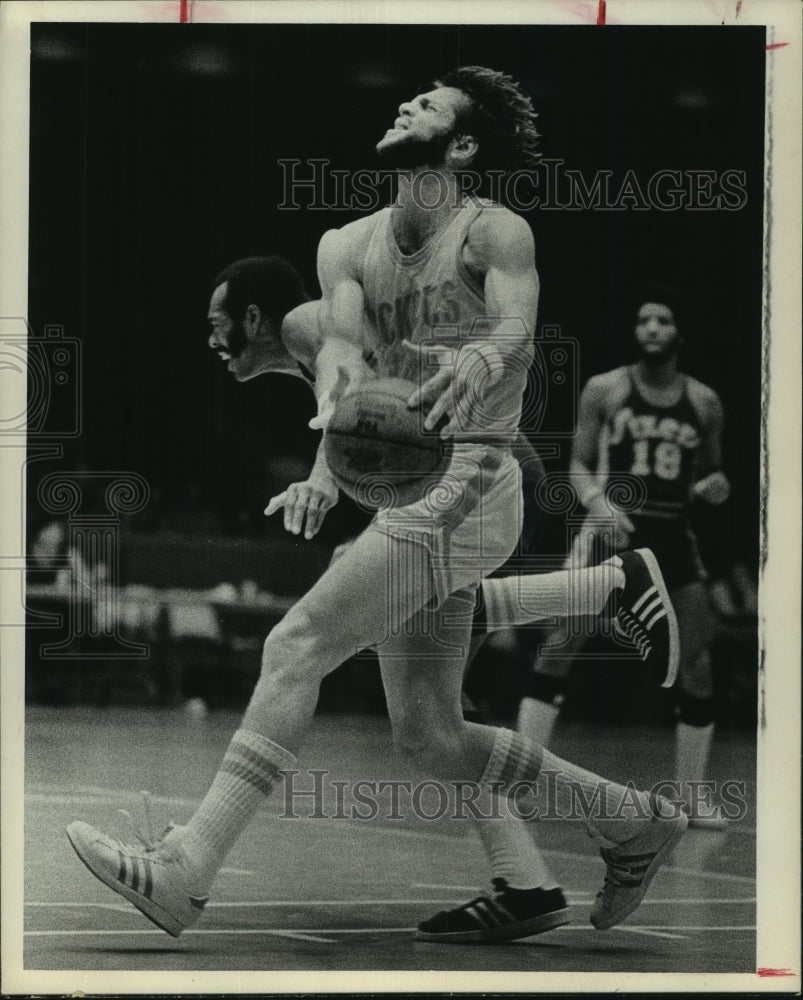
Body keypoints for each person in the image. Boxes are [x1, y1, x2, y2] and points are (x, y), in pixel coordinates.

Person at [66, 66, 686, 944]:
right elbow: (343, 358)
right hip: (418, 489)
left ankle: (185, 871)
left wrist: (485, 357)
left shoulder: (492, 233)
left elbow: (516, 323)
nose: (406, 104)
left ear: (461, 146)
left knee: (296, 642)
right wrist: (327, 465)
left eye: (427, 105)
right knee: (430, 735)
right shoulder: (343, 245)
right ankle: (633, 818)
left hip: (474, 479)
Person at [518, 284, 732, 828]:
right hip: (609, 531)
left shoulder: (705, 401)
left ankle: (690, 794)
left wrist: (715, 486)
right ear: (636, 333)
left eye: (662, 320)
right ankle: (516, 777)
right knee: (562, 643)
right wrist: (598, 503)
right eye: (643, 321)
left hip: (672, 535)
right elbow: (578, 462)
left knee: (698, 661)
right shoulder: (606, 389)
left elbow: (710, 471)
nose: (652, 328)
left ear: (679, 333)